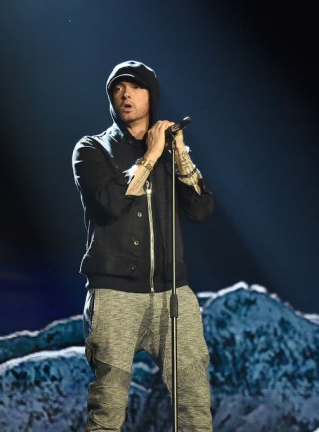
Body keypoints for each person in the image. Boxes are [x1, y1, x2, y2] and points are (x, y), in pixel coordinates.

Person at [72, 60, 214, 431]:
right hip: (114, 294)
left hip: (173, 292)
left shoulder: (169, 153)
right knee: (108, 409)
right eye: (118, 88)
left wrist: (179, 153)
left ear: (152, 96)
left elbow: (201, 210)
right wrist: (150, 156)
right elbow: (109, 204)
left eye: (135, 87)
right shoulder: (91, 148)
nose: (125, 94)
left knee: (195, 404)